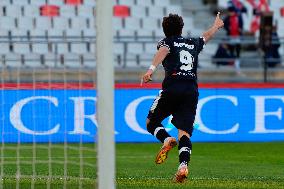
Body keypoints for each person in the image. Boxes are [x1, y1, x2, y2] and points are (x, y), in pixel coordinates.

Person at [141, 13, 224, 183]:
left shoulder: (166, 42)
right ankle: (183, 166)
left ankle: (166, 139)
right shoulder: (192, 43)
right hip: (191, 90)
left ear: (165, 30)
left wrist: (150, 70)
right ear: (181, 28)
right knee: (184, 133)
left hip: (172, 87)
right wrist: (216, 26)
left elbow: (163, 51)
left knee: (151, 123)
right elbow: (205, 37)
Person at [224, 6, 243, 74]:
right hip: (230, 37)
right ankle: (232, 66)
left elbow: (241, 25)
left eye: (230, 12)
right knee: (231, 51)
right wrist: (228, 28)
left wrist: (240, 29)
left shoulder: (238, 16)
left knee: (237, 51)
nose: (229, 13)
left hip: (237, 37)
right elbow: (224, 25)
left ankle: (237, 67)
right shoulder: (228, 18)